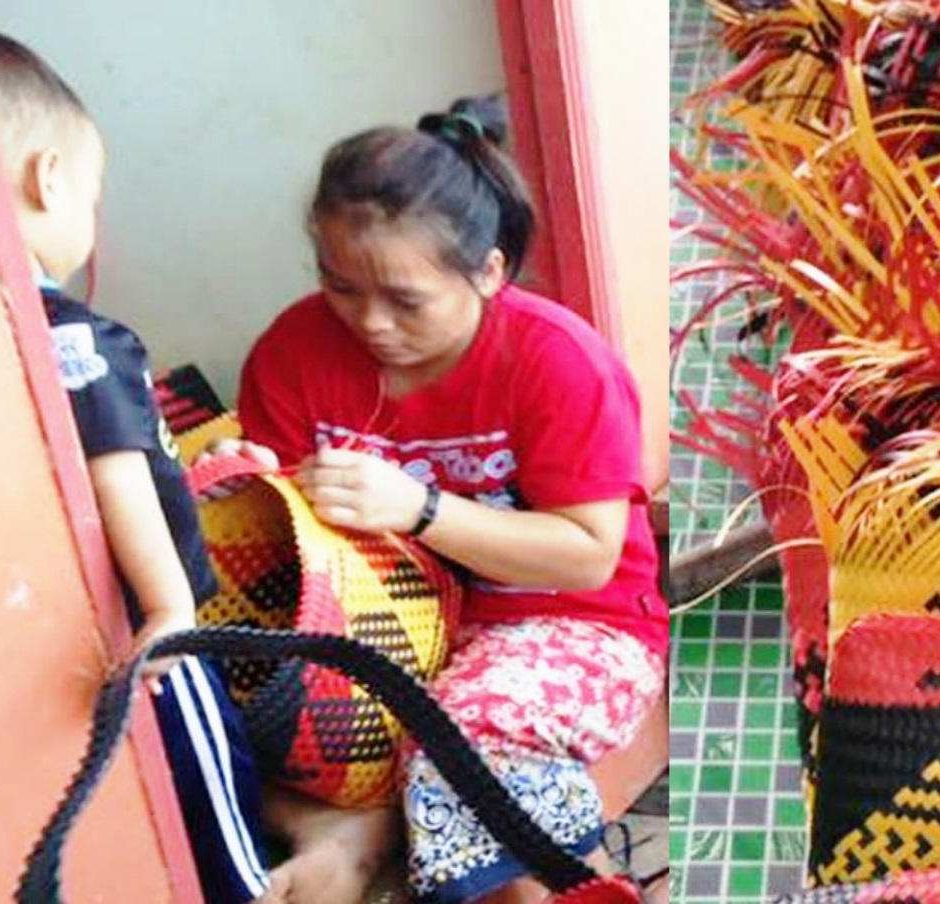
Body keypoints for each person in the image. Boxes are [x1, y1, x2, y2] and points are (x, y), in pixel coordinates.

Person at [209, 95, 669, 904]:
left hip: (571, 626)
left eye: (406, 299)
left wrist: (419, 508)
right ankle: (351, 831)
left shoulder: (558, 361)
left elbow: (591, 555)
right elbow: (289, 540)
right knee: (223, 701)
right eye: (340, 287)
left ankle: (393, 844)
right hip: (390, 626)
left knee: (462, 733)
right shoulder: (293, 352)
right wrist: (246, 484)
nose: (370, 323)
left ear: (489, 272)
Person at [0, 27, 271, 903]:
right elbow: (110, 465)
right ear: (48, 177)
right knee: (215, 821)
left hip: (52, 644)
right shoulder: (75, 333)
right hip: (158, 647)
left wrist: (202, 463)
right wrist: (172, 605)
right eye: (93, 192)